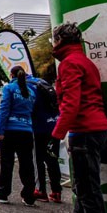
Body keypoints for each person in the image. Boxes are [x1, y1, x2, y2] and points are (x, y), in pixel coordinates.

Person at [47, 22, 107, 213]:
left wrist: (56, 135)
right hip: (96, 129)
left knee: (89, 194)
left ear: (60, 40)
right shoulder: (84, 61)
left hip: (84, 131)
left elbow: (71, 103)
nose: (53, 44)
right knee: (82, 190)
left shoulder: (69, 63)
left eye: (54, 40)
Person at [0, 65, 37, 207]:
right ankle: (29, 197)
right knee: (27, 164)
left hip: (10, 131)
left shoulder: (9, 88)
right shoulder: (31, 92)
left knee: (7, 163)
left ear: (11, 75)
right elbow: (32, 112)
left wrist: (0, 130)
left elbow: (4, 109)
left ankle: (3, 194)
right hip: (26, 131)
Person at [32, 70, 63, 203]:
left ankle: (41, 191)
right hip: (53, 125)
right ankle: (56, 191)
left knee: (38, 159)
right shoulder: (44, 85)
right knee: (52, 159)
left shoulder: (30, 87)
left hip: (39, 128)